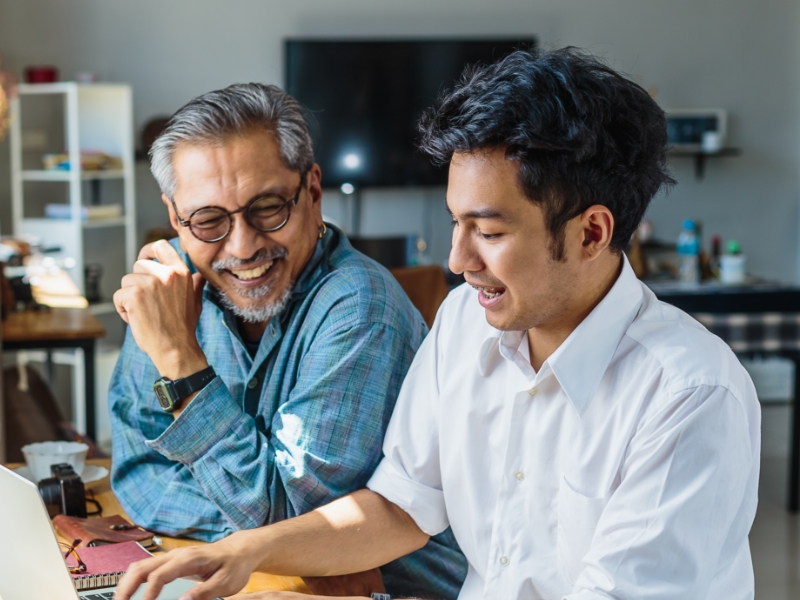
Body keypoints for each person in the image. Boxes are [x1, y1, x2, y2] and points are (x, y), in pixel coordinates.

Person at [115, 48, 761, 600]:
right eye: (457, 224)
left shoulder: (688, 395)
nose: (457, 261)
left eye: (488, 231)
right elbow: (398, 508)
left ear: (592, 232)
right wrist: (248, 552)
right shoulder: (465, 325)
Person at [108, 83, 466, 599]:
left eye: (268, 207)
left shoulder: (360, 304)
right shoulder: (165, 285)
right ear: (175, 219)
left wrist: (179, 360)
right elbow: (138, 472)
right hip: (259, 580)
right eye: (209, 220)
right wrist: (251, 531)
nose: (243, 246)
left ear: (313, 192)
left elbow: (293, 519)